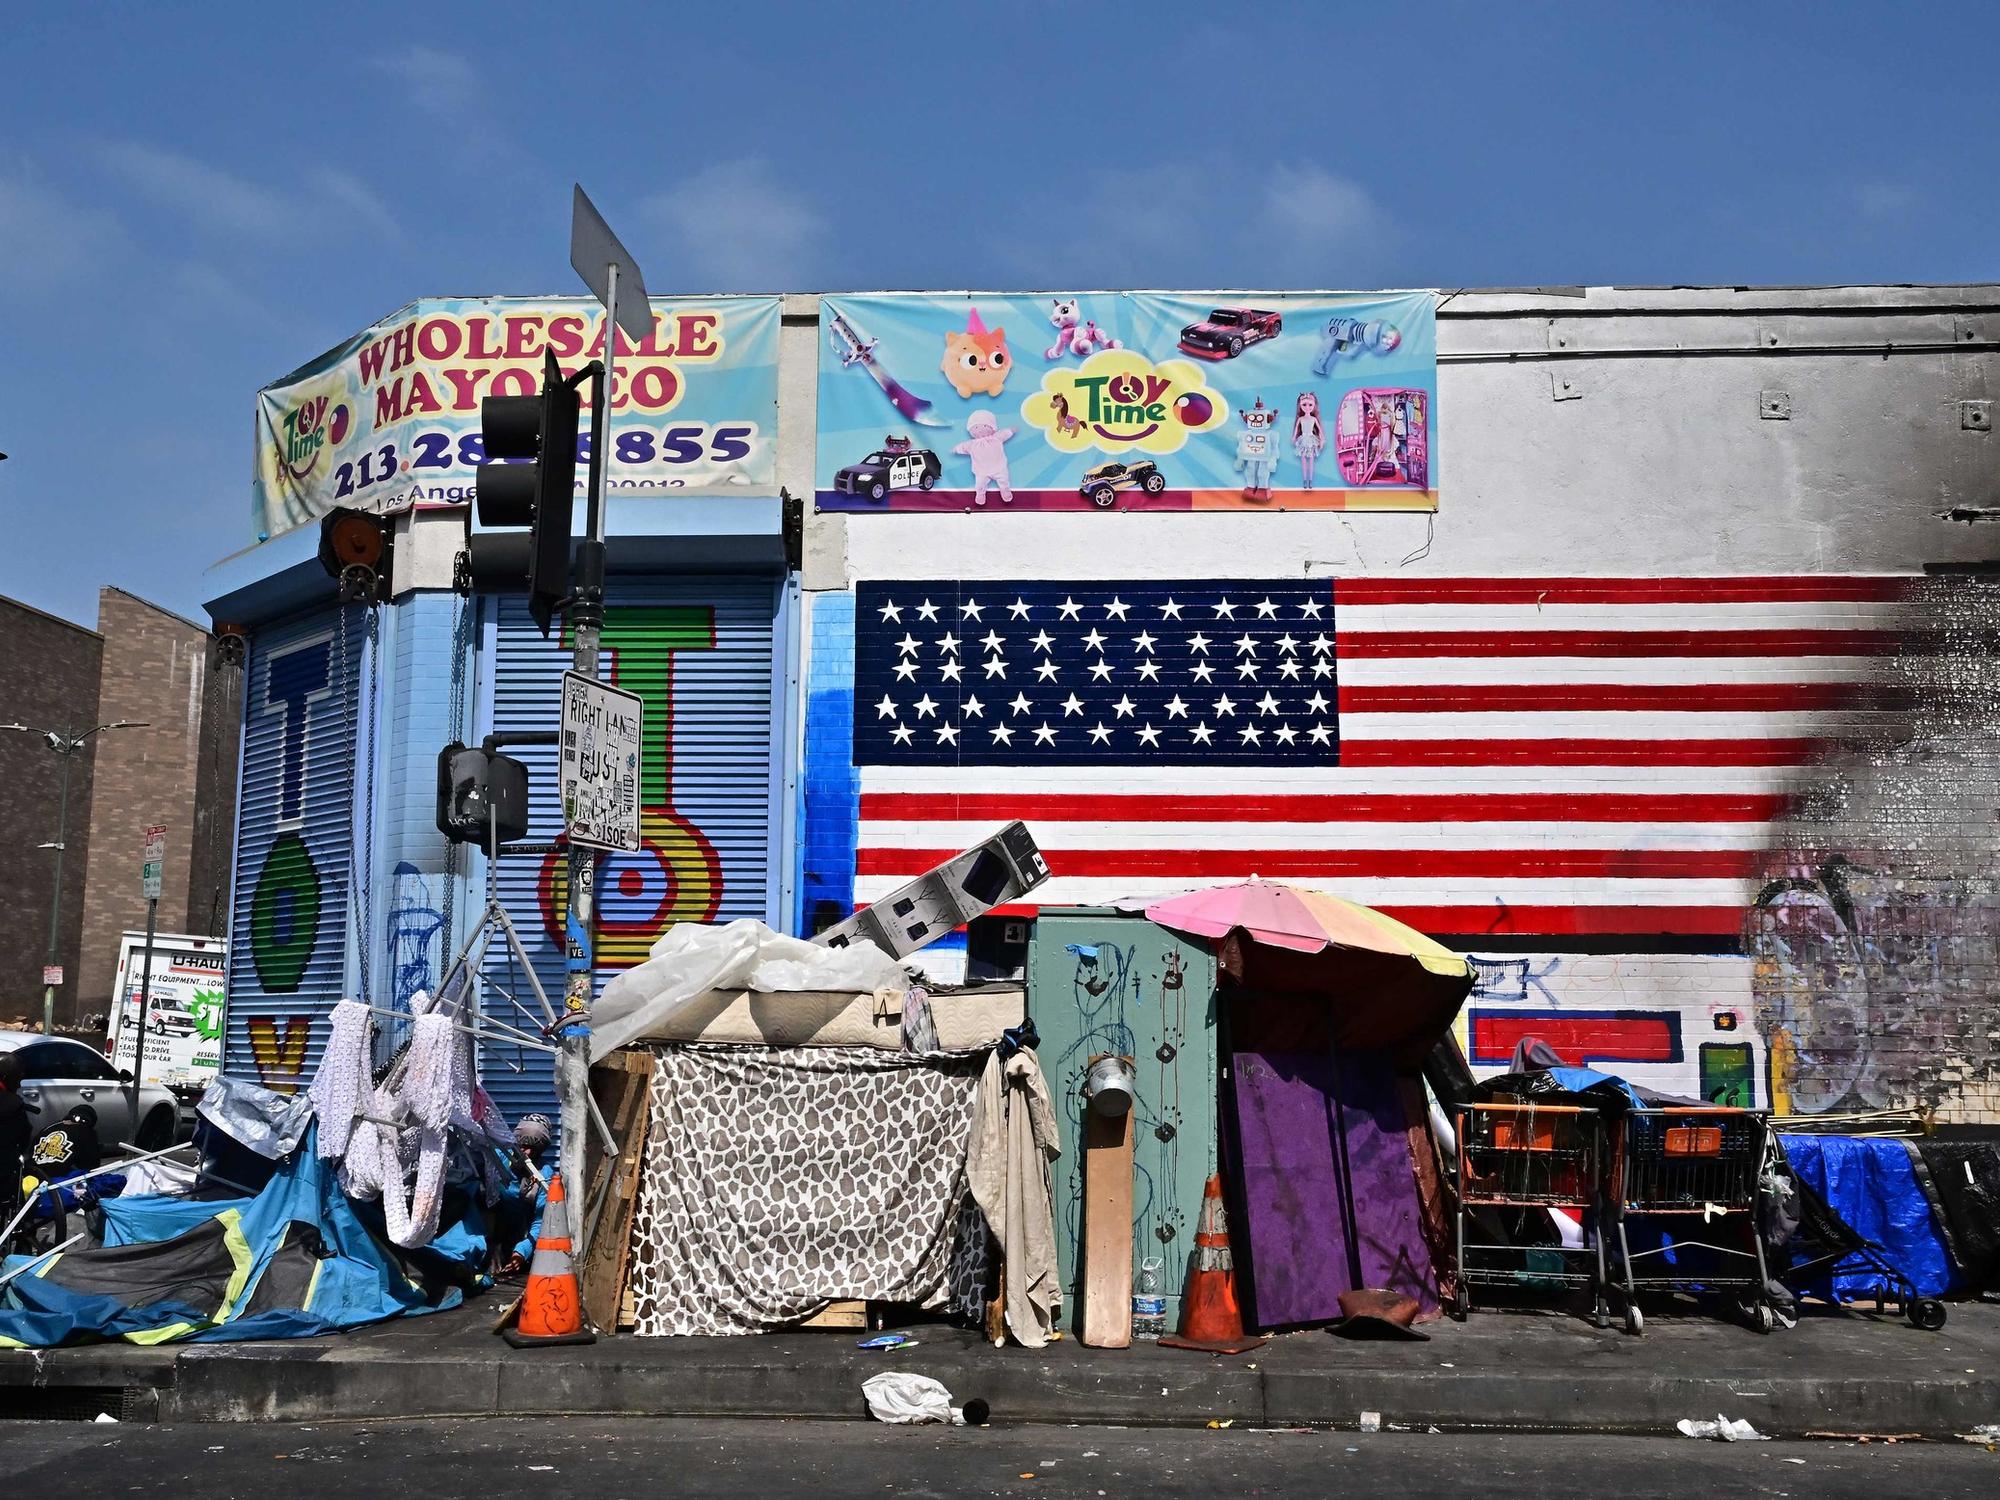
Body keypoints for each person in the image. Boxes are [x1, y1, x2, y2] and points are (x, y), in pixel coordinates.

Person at [490, 1113, 551, 1276]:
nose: (527, 1152)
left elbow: (541, 1220)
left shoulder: (543, 1175)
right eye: (523, 1145)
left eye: (534, 1148)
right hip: (489, 1234)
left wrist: (522, 1251)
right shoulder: (498, 1158)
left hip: (519, 1240)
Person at [0, 1054, 37, 1230]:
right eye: (17, 1079)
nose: (19, 1085)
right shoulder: (13, 1104)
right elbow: (24, 1134)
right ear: (6, 1077)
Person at [29, 1102, 102, 1182]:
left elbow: (31, 1152)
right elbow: (92, 1164)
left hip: (32, 1178)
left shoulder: (47, 1129)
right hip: (61, 1181)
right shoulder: (86, 1131)